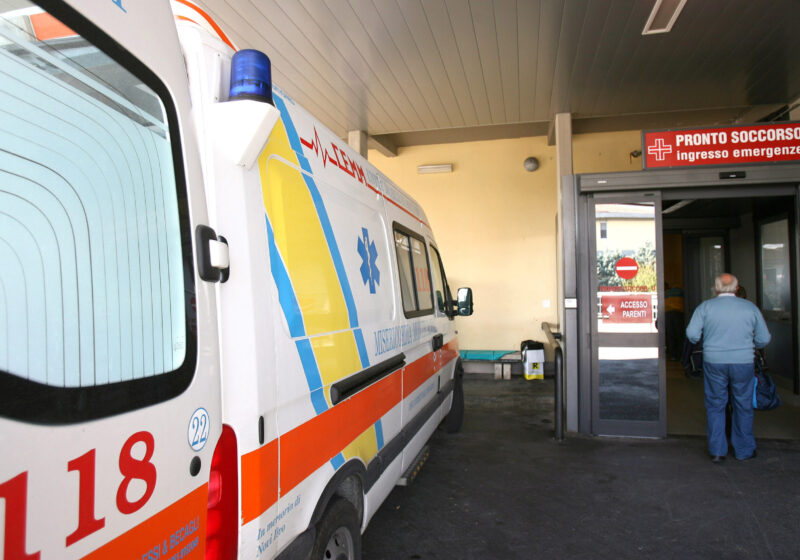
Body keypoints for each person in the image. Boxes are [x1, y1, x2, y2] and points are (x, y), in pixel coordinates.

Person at [685, 273, 771, 463]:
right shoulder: (750, 308)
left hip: (714, 361)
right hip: (743, 362)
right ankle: (744, 450)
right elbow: (764, 339)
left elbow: (692, 334)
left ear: (716, 288)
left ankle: (717, 451)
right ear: (737, 288)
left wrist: (708, 340)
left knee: (715, 405)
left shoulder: (705, 307)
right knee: (743, 404)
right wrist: (749, 344)